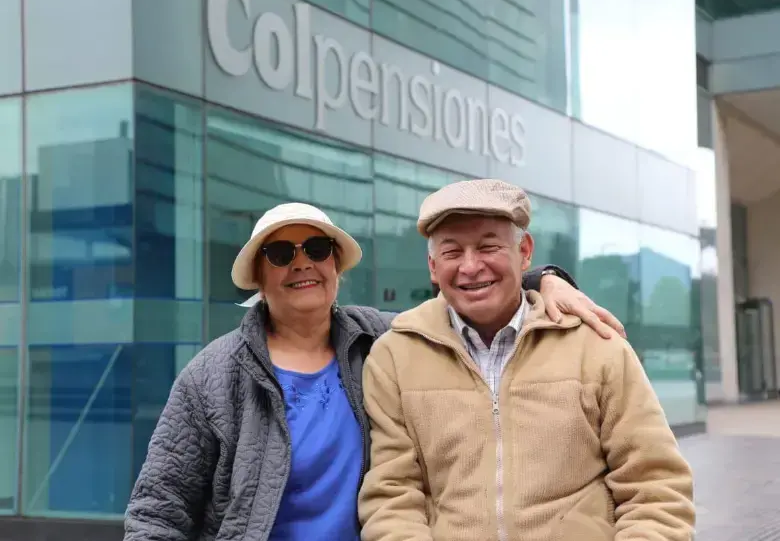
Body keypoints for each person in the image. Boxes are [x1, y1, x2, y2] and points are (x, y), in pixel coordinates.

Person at [123, 201, 625, 541]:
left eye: (317, 250)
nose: (303, 264)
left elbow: (471, 293)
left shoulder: (385, 340)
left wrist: (545, 281)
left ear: (337, 265)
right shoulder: (211, 376)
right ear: (259, 275)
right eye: (281, 254)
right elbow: (157, 509)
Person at [358, 179, 696, 541]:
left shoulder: (597, 346)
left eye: (488, 247)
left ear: (525, 252)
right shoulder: (394, 356)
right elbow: (393, 497)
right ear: (432, 266)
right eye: (452, 252)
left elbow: (655, 488)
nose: (471, 267)